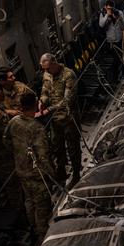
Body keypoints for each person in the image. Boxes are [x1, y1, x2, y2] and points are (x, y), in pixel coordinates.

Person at [5, 92, 55, 239]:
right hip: (37, 175)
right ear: (35, 105)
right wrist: (51, 175)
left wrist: (18, 155)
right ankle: (43, 235)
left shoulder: (13, 121)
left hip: (21, 171)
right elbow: (44, 156)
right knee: (41, 205)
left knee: (29, 201)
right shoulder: (37, 128)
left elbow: (6, 140)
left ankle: (33, 227)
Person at [39, 53, 81, 186]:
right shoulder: (47, 74)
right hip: (55, 119)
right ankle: (61, 170)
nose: (46, 71)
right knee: (58, 147)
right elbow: (45, 91)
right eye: (44, 69)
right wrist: (42, 101)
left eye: (48, 68)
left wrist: (48, 110)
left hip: (69, 117)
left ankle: (76, 174)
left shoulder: (68, 75)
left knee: (73, 147)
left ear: (54, 63)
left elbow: (68, 100)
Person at [99, 1, 124, 83]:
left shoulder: (119, 13)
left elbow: (123, 26)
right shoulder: (103, 14)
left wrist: (118, 19)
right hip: (110, 42)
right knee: (115, 60)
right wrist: (107, 14)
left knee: (121, 58)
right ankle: (115, 78)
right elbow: (101, 24)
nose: (110, 10)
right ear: (105, 7)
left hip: (119, 39)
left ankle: (122, 75)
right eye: (108, 8)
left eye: (111, 8)